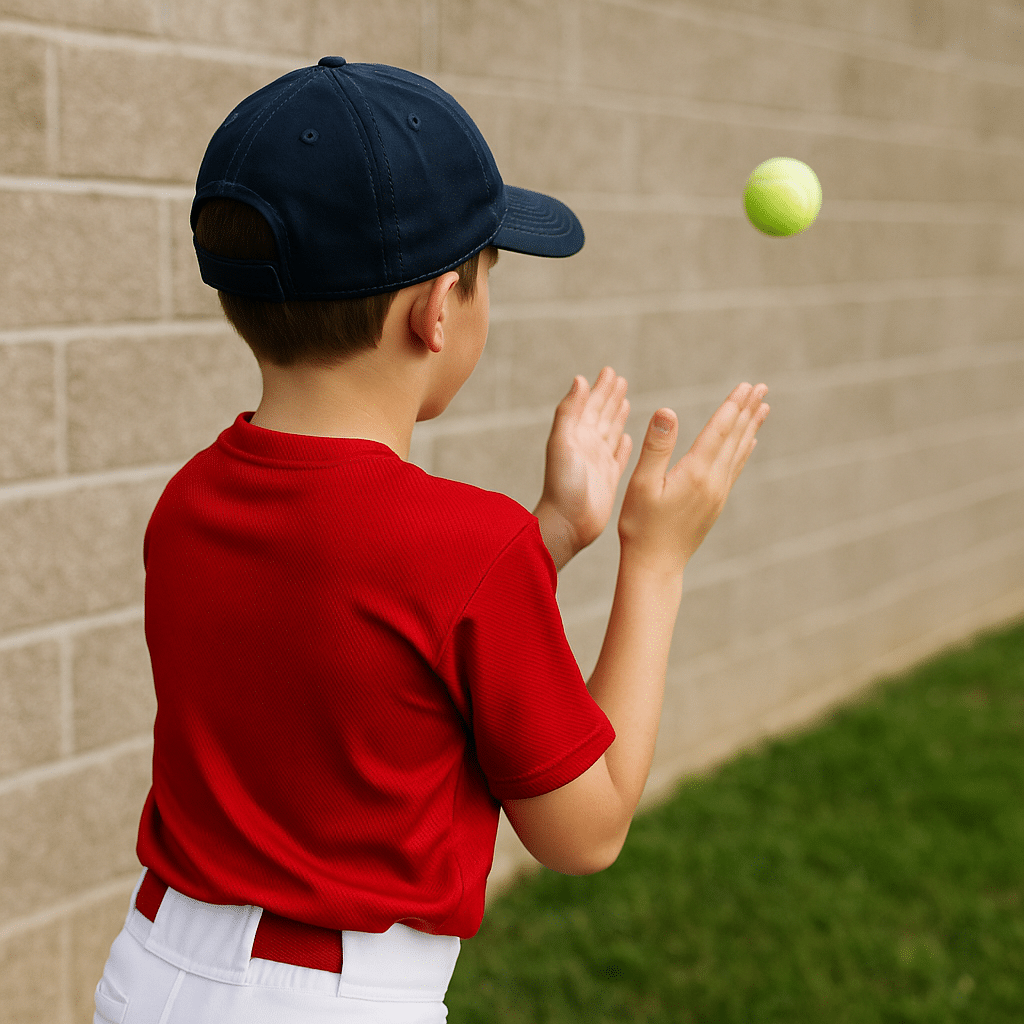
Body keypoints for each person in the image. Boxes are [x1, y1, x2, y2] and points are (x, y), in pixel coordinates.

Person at [93, 57, 769, 1024]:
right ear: (439, 310)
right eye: (489, 275)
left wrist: (550, 536)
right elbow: (588, 829)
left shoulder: (190, 499)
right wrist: (652, 558)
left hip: (146, 971)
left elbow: (374, 642)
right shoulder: (468, 547)